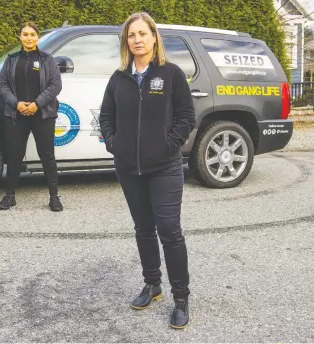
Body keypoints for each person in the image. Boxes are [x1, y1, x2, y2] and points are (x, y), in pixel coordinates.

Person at [99, 12, 196, 329]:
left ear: (154, 37)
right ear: (126, 42)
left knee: (169, 230)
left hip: (165, 167)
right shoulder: (118, 78)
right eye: (131, 35)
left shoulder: (171, 74)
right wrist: (115, 144)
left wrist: (169, 145)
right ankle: (152, 285)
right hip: (128, 168)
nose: (137, 39)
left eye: (143, 33)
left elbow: (186, 117)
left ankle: (180, 298)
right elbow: (106, 117)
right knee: (143, 229)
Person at [0, 22, 63, 212]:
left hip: (42, 114)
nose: (28, 38)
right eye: (25, 34)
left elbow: (55, 85)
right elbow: (3, 85)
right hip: (16, 114)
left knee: (47, 156)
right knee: (15, 156)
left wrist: (36, 104)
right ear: (20, 37)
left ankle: (54, 197)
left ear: (37, 37)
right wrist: (17, 104)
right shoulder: (11, 60)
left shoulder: (47, 60)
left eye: (32, 34)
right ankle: (10, 197)